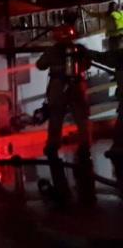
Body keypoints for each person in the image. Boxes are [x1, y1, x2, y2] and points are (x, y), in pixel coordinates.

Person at [35, 24, 93, 158]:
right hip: (77, 86)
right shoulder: (79, 49)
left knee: (56, 117)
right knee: (82, 118)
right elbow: (88, 64)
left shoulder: (52, 51)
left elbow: (40, 65)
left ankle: (52, 146)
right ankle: (85, 146)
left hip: (58, 87)